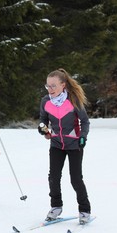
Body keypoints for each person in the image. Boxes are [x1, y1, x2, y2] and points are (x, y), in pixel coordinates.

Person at [38, 68, 91, 224]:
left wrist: (82, 137)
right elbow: (42, 121)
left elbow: (85, 122)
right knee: (53, 177)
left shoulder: (73, 100)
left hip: (75, 144)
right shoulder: (45, 101)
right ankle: (56, 207)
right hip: (56, 144)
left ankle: (84, 210)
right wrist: (43, 129)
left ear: (63, 85)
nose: (50, 89)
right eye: (48, 86)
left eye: (54, 85)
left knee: (75, 178)